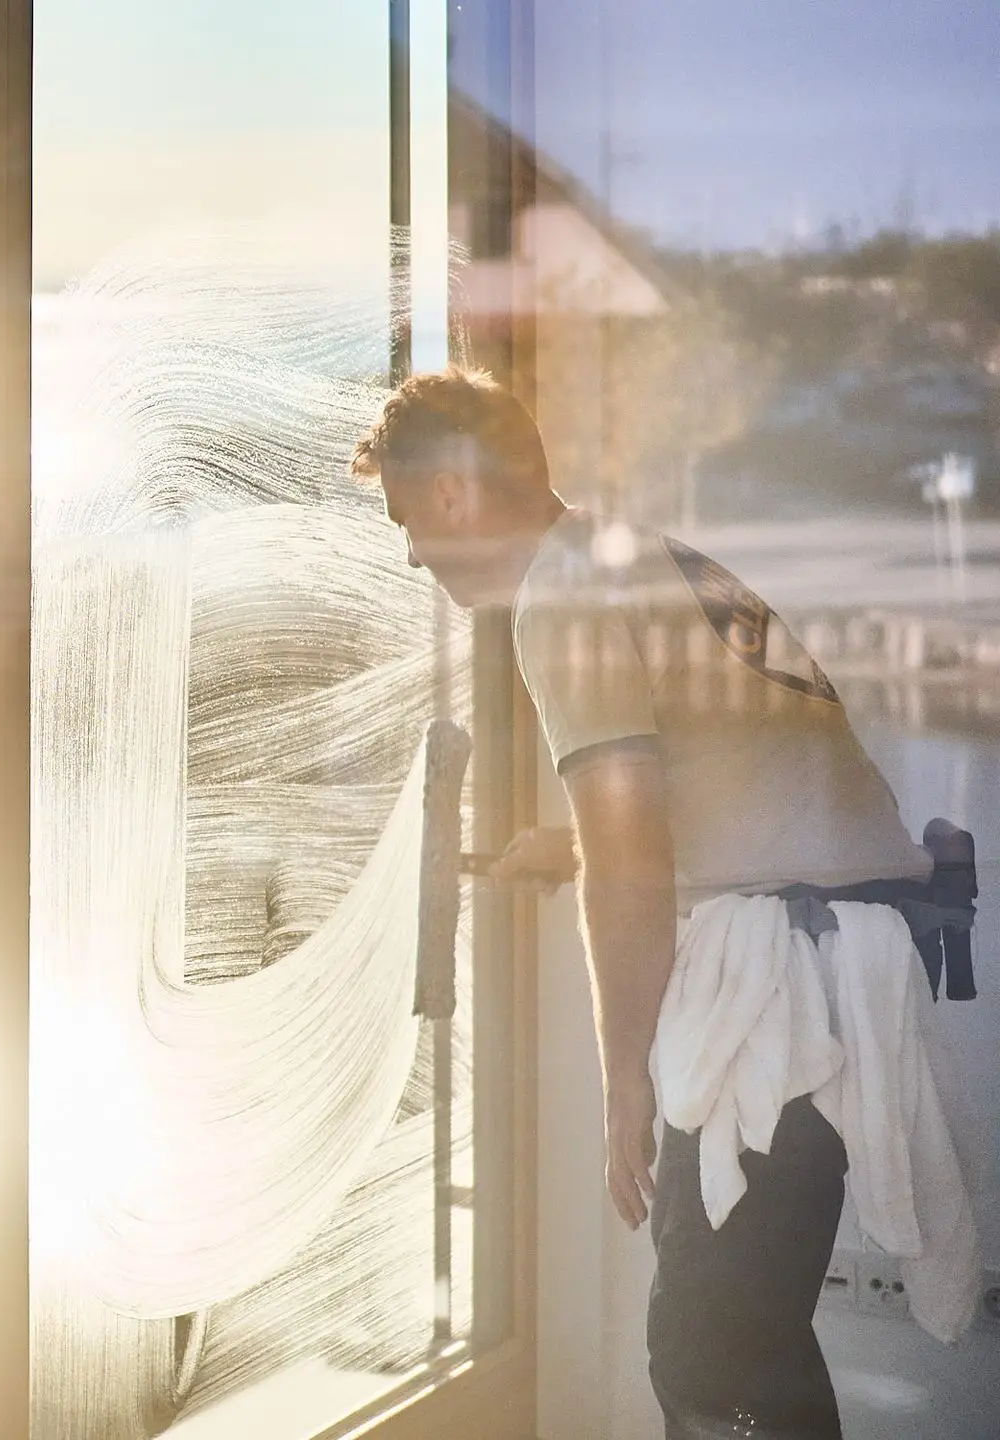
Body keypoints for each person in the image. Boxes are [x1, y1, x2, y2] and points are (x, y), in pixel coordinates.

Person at [349, 368, 971, 1440]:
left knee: (707, 1354)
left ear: (451, 492)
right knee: (753, 1341)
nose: (410, 550)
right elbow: (729, 789)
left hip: (777, 993)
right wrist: (567, 846)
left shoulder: (561, 595)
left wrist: (623, 1081)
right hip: (839, 959)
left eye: (406, 518)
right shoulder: (637, 555)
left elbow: (631, 859)